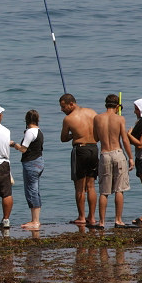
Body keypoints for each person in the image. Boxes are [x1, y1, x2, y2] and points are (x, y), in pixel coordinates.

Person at [92, 94, 135, 228]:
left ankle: (101, 222)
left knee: (104, 192)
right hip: (118, 153)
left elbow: (96, 137)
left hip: (105, 154)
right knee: (119, 190)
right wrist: (131, 158)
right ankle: (118, 220)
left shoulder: (97, 118)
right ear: (117, 106)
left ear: (106, 105)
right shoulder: (120, 119)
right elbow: (125, 139)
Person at [59, 94, 98, 227]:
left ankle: (81, 216)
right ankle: (92, 217)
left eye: (63, 106)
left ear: (71, 104)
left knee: (79, 187)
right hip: (94, 148)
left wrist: (73, 135)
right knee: (91, 186)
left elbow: (63, 138)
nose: (61, 109)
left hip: (80, 150)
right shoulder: (92, 112)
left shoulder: (68, 119)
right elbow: (98, 134)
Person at [10, 110, 44, 230]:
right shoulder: (39, 131)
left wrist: (13, 144)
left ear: (27, 120)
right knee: (35, 190)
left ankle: (35, 221)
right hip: (39, 162)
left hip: (31, 164)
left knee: (31, 191)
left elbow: (23, 149)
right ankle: (36, 219)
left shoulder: (30, 132)